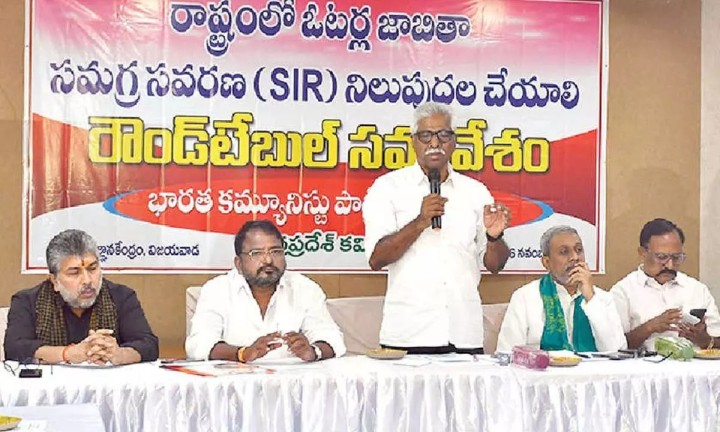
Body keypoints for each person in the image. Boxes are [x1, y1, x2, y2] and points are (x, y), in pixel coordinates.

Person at [361, 102, 511, 354]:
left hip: (464, 334)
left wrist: (495, 237)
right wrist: (420, 222)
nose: (434, 143)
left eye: (443, 135)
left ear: (454, 141)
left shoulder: (475, 192)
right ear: (413, 141)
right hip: (408, 334)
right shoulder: (387, 188)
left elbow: (495, 265)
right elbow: (377, 259)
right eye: (425, 135)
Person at [186, 220, 346, 362]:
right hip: (235, 382)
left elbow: (332, 339)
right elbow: (199, 344)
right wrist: (242, 353)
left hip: (292, 382)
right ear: (238, 263)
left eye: (275, 251)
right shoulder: (216, 290)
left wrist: (313, 351)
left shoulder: (305, 289)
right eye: (256, 253)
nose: (268, 260)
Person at [3, 229, 158, 364]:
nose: (87, 280)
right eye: (74, 273)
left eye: (92, 269)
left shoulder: (122, 297)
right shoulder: (27, 302)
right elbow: (14, 348)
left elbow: (149, 345)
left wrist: (119, 354)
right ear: (54, 280)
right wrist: (68, 354)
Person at [496, 226, 626, 352]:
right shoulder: (525, 297)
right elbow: (507, 353)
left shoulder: (602, 298)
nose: (575, 257)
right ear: (546, 262)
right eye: (564, 252)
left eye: (579, 250)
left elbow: (617, 350)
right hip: (544, 367)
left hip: (593, 367)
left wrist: (591, 299)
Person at [611, 218, 720, 350]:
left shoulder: (697, 290)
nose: (670, 265)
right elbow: (613, 348)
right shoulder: (623, 292)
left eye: (676, 257)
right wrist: (649, 327)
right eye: (662, 257)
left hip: (694, 362)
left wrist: (704, 340)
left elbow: (717, 340)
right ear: (642, 253)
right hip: (645, 363)